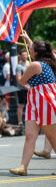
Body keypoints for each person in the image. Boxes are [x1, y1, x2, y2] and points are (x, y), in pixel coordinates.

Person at [9, 33, 56, 176]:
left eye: (31, 49)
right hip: (35, 102)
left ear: (36, 52)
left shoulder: (35, 65)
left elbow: (22, 81)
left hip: (43, 101)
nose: (29, 51)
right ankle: (23, 167)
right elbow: (35, 49)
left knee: (53, 137)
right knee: (30, 136)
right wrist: (28, 39)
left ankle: (23, 166)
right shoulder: (49, 62)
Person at [16, 50, 30, 126]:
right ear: (20, 56)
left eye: (25, 55)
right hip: (22, 88)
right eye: (23, 55)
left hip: (30, 88)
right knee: (21, 105)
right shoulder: (19, 66)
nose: (25, 56)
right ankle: (20, 121)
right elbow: (18, 79)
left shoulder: (29, 64)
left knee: (30, 105)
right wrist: (26, 87)